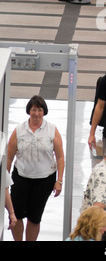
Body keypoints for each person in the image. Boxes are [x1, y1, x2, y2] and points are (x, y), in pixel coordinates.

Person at [6, 95, 64, 241]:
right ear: (29, 111)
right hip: (21, 178)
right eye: (33, 110)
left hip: (44, 180)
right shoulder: (19, 130)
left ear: (44, 111)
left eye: (39, 110)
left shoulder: (51, 129)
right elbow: (9, 156)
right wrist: (4, 180)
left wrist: (59, 180)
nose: (36, 113)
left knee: (35, 216)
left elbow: (60, 157)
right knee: (16, 213)